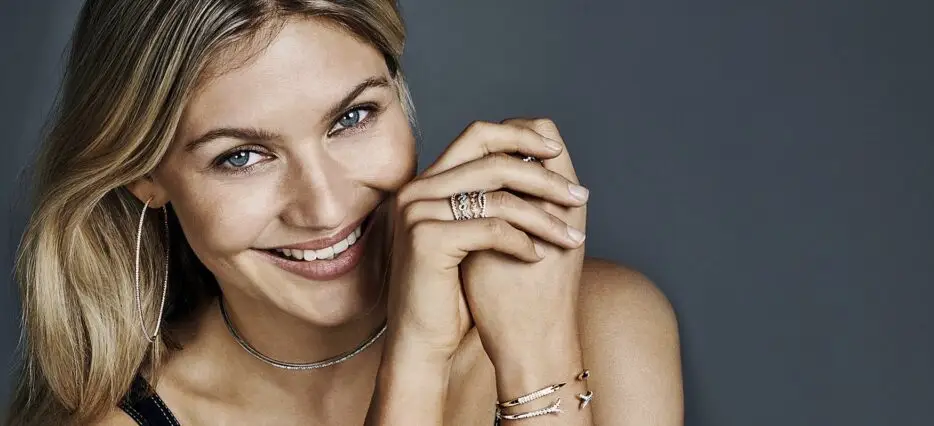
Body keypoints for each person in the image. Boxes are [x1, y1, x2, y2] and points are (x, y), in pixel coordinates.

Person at [7, 1, 683, 425]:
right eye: (242, 156)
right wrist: (414, 362)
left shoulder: (602, 324)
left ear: (399, 92)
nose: (325, 206)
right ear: (144, 175)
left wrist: (535, 359)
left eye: (352, 118)